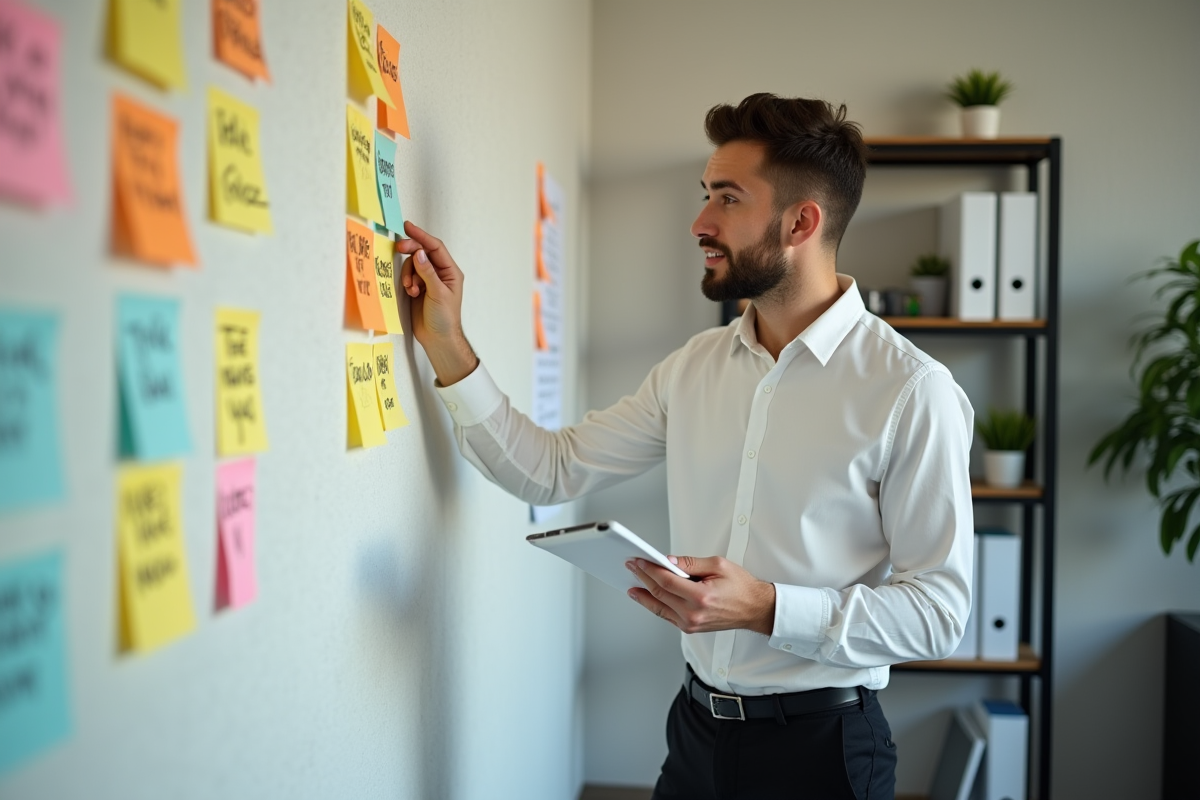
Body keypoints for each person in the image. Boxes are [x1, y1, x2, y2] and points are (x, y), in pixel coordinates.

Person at [396, 93, 974, 800]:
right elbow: (549, 469)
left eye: (727, 199)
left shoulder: (913, 390)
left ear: (802, 222)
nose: (700, 223)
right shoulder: (693, 366)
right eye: (706, 195)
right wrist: (446, 343)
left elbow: (941, 613)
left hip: (825, 756)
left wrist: (764, 605)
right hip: (697, 736)